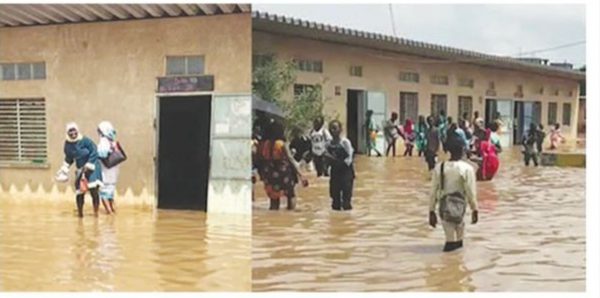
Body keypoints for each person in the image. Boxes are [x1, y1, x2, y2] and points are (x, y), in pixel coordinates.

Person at [428, 133, 479, 252]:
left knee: (449, 240)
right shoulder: (467, 169)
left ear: (448, 151)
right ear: (462, 150)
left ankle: (447, 263)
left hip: (445, 207)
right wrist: (474, 209)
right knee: (459, 242)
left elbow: (433, 192)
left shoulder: (439, 167)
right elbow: (471, 192)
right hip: (460, 208)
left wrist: (431, 211)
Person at [257, 119, 308, 210]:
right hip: (284, 173)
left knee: (274, 198)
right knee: (290, 194)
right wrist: (300, 174)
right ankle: (290, 216)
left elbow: (261, 159)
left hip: (270, 174)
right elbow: (290, 159)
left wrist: (261, 175)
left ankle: (274, 218)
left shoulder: (265, 144)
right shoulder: (282, 144)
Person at [55, 122, 103, 218]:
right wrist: (65, 169)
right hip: (80, 168)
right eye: (70, 131)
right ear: (67, 133)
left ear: (77, 131)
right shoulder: (67, 145)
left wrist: (89, 165)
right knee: (79, 192)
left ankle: (96, 213)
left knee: (93, 190)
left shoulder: (85, 141)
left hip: (92, 167)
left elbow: (94, 151)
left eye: (74, 131)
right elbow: (69, 157)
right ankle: (80, 214)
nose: (73, 133)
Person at [323, 120, 355, 211]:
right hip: (335, 174)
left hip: (346, 173)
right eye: (331, 128)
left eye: (335, 128)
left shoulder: (345, 142)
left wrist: (333, 159)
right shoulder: (328, 144)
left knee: (346, 202)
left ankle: (347, 220)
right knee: (335, 201)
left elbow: (349, 159)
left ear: (340, 129)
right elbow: (326, 160)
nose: (333, 130)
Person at [97, 121, 123, 214]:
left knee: (104, 192)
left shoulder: (103, 141)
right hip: (114, 169)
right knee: (110, 191)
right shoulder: (112, 141)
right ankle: (112, 210)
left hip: (106, 169)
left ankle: (109, 212)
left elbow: (102, 154)